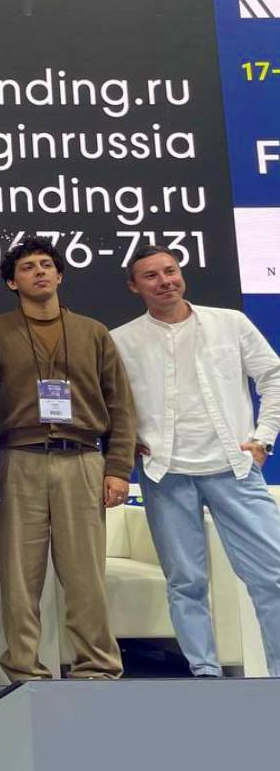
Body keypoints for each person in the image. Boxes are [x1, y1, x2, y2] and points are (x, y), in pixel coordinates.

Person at [112, 244, 280, 677]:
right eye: (151, 276)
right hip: (165, 475)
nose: (164, 281)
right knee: (186, 583)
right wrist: (127, 442)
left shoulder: (230, 323)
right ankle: (205, 674)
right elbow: (110, 403)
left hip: (234, 469)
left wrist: (263, 438)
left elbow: (273, 375)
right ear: (134, 286)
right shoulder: (121, 340)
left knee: (273, 576)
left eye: (170, 270)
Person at [0, 236, 135, 681]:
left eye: (46, 265)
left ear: (60, 275)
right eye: (28, 267)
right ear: (12, 282)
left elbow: (121, 404)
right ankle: (25, 673)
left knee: (85, 576)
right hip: (18, 460)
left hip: (82, 459)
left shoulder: (93, 332)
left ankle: (97, 667)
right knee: (19, 577)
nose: (40, 272)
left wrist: (118, 468)